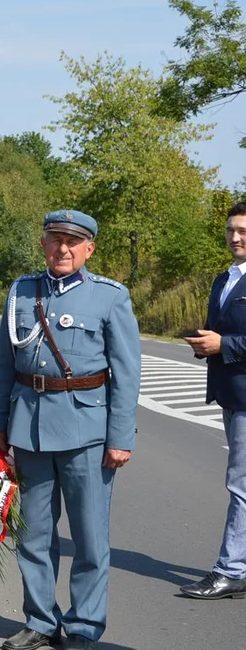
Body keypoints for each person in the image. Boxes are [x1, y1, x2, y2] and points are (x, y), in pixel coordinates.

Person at [0, 210, 140, 650]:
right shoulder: (22, 291)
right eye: (55, 240)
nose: (63, 249)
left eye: (73, 242)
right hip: (29, 427)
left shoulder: (109, 297)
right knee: (34, 533)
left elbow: (127, 375)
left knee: (90, 537)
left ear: (89, 249)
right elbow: (3, 366)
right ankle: (39, 619)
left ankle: (84, 625)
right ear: (43, 244)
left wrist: (120, 438)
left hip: (86, 432)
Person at [181, 201, 246, 601]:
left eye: (242, 230)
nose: (235, 237)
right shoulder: (225, 278)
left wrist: (225, 344)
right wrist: (208, 344)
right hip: (230, 392)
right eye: (230, 230)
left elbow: (231, 339)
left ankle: (231, 570)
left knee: (240, 484)